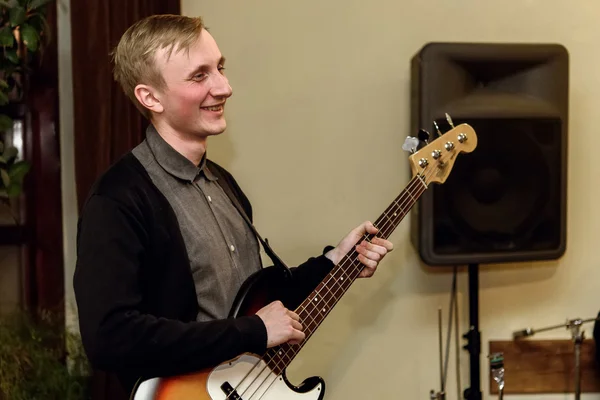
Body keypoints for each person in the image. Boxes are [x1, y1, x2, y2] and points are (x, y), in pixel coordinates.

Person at [73, 14, 394, 394]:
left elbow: (253, 306)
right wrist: (253, 331)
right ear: (150, 97)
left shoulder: (224, 184)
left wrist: (334, 262)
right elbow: (110, 337)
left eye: (220, 68)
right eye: (199, 75)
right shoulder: (117, 198)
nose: (224, 87)